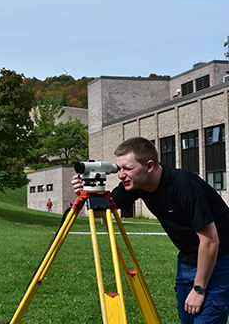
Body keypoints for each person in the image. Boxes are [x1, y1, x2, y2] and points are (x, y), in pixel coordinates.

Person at [72, 137, 229, 323]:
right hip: (188, 260)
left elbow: (211, 241)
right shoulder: (138, 185)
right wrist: (88, 192)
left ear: (149, 166)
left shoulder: (183, 186)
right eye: (119, 168)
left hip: (220, 260)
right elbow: (104, 210)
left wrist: (199, 289)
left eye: (128, 168)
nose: (121, 175)